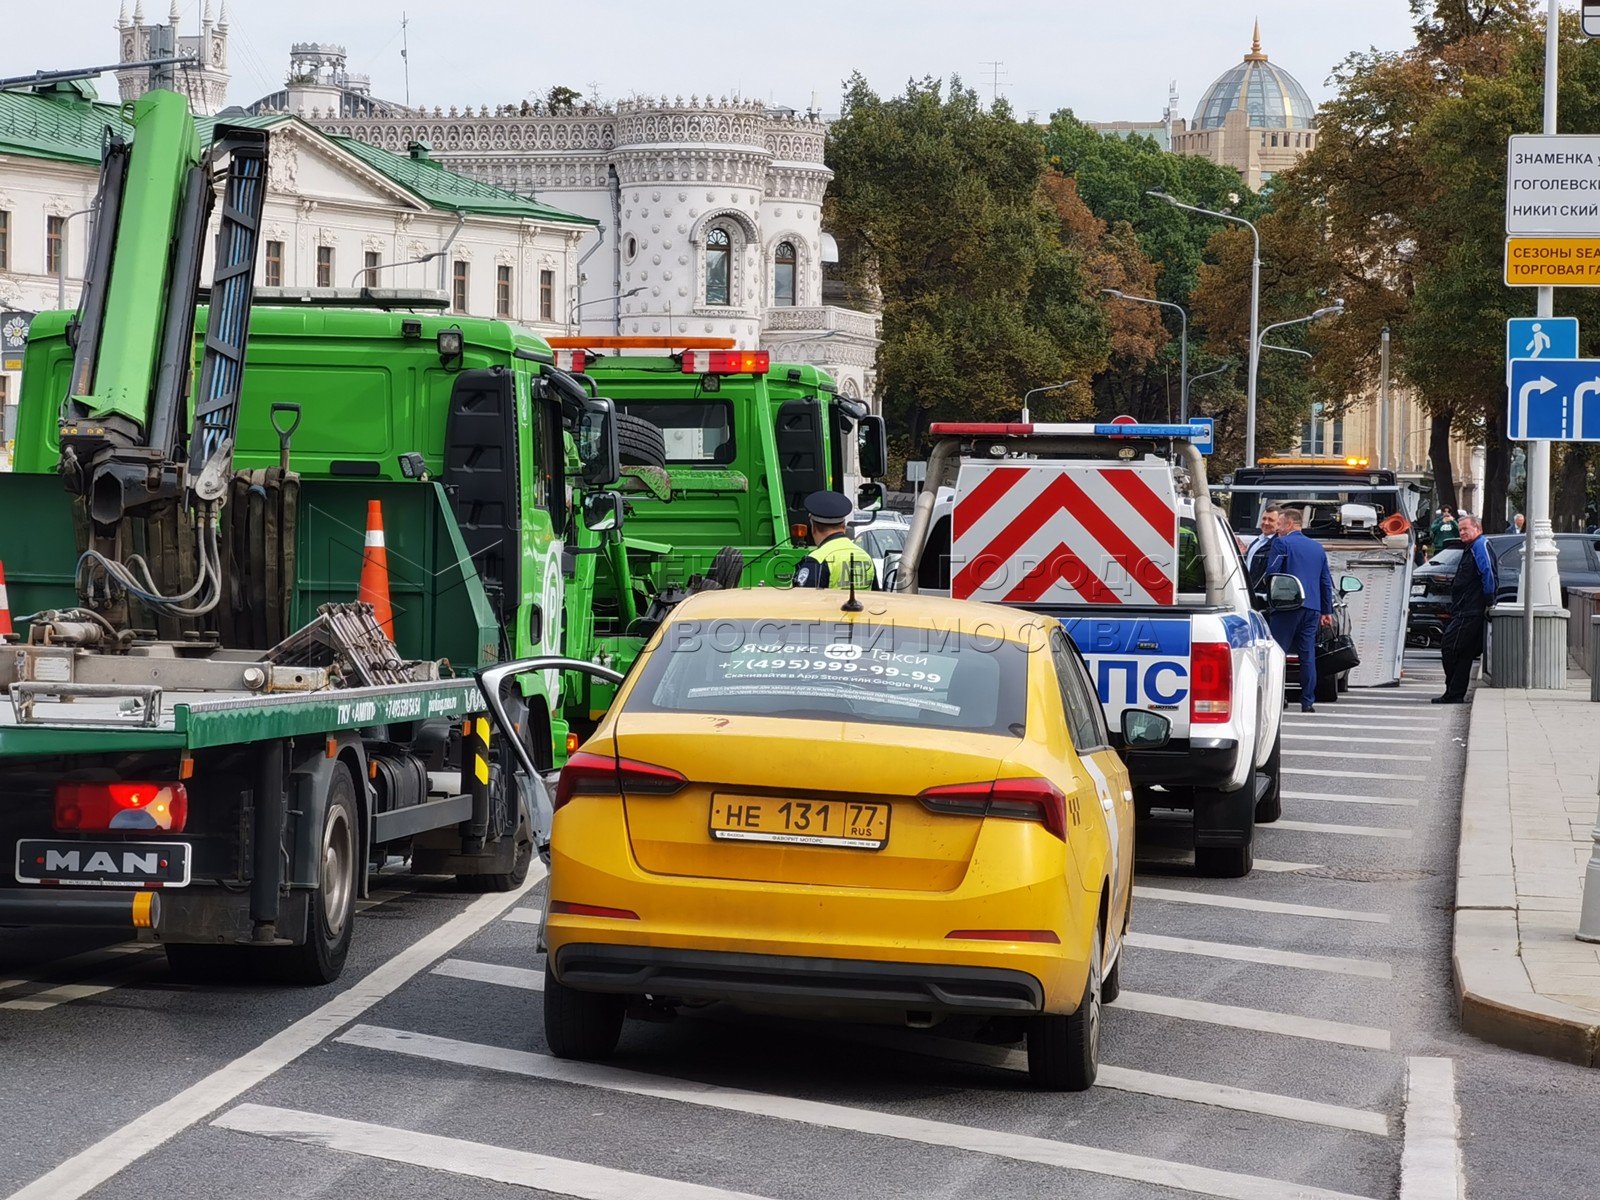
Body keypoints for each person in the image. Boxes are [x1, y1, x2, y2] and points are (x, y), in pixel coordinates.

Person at [1265, 507, 1335, 712]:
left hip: (1287, 606)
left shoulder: (1281, 543)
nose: (1277, 529)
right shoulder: (1317, 548)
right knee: (1307, 656)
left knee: (1278, 654)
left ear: (1289, 524)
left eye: (1279, 524)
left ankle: (1279, 698)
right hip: (1312, 608)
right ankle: (1308, 701)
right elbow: (1325, 582)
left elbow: (1272, 573)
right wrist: (1326, 611)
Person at [1435, 512, 1496, 704]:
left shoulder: (1480, 545)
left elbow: (1488, 573)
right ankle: (1454, 693)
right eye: (1460, 529)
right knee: (1464, 653)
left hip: (1471, 610)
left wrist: (1489, 600)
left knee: (1449, 647)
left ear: (1477, 529)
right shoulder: (1471, 547)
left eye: (1465, 529)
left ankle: (1454, 691)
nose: (1461, 532)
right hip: (1465, 608)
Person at [791, 490, 879, 590]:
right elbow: (877, 597)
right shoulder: (865, 557)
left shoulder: (817, 560)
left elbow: (802, 602)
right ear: (844, 526)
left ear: (813, 527)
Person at [1244, 504, 1280, 597]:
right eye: (1264, 519)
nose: (1266, 523)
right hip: (1247, 592)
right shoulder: (1257, 541)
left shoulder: (1278, 545)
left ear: (1279, 523)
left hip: (1261, 596)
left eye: (1271, 520)